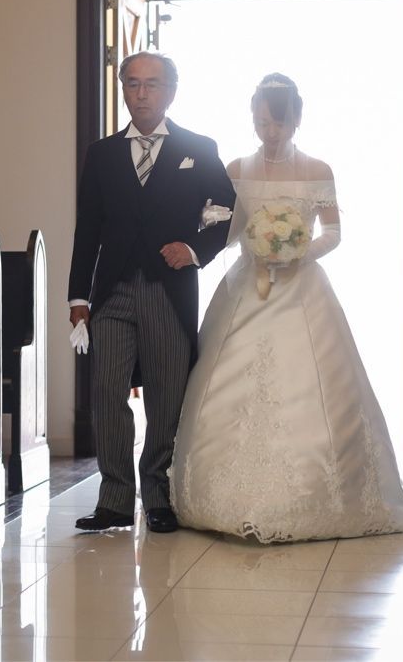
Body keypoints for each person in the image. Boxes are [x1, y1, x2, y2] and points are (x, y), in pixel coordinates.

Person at [169, 73, 403, 543]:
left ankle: (317, 495)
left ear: (296, 119)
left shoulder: (318, 170)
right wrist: (214, 237)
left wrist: (296, 251)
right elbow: (230, 232)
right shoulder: (236, 169)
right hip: (246, 288)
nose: (269, 132)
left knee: (310, 382)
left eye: (276, 123)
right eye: (261, 123)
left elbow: (333, 232)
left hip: (302, 289)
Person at [68, 51, 236, 534]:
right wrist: (78, 297)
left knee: (166, 395)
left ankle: (159, 495)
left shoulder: (198, 147)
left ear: (171, 92)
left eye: (152, 85)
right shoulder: (101, 154)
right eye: (132, 84)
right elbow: (88, 228)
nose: (141, 94)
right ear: (123, 89)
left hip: (169, 290)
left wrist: (195, 249)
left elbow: (227, 212)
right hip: (112, 292)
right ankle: (115, 500)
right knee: (106, 392)